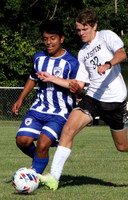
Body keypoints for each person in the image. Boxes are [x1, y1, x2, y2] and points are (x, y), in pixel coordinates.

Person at [37, 8, 128, 190]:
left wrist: (108, 64)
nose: (81, 33)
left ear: (94, 26)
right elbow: (79, 82)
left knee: (122, 145)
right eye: (78, 30)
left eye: (84, 29)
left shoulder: (106, 36)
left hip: (115, 101)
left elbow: (122, 53)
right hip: (92, 97)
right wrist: (52, 78)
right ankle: (54, 178)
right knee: (68, 130)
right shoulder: (82, 53)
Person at [12, 19, 79, 174]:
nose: (48, 42)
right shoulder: (38, 58)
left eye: (52, 38)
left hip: (60, 112)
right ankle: (41, 159)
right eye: (45, 39)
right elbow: (32, 78)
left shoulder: (72, 63)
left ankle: (34, 176)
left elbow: (78, 87)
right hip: (39, 108)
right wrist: (20, 99)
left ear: (62, 39)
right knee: (22, 141)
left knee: (43, 144)